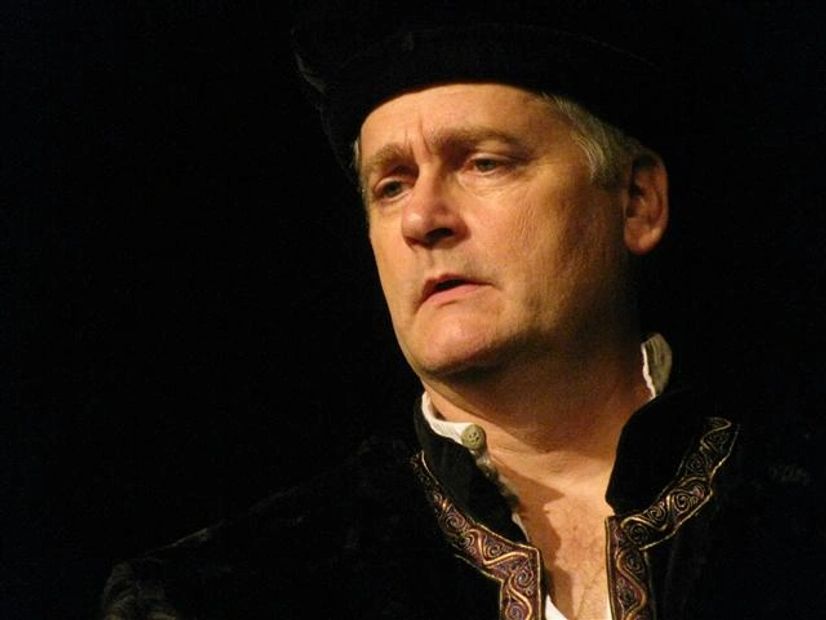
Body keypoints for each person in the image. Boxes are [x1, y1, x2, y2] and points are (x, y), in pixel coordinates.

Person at [100, 4, 825, 619]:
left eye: (484, 162)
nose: (422, 219)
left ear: (636, 202)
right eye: (390, 185)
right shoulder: (218, 594)